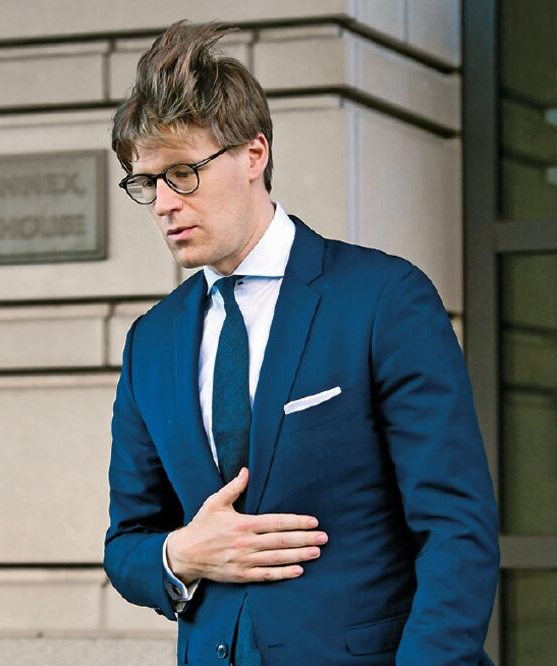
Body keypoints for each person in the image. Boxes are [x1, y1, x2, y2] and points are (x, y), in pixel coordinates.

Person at [103, 21, 500, 666]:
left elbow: (456, 528)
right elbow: (126, 543)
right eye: (146, 182)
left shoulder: (382, 298)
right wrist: (181, 554)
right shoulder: (152, 341)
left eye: (182, 173)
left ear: (253, 154)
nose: (164, 204)